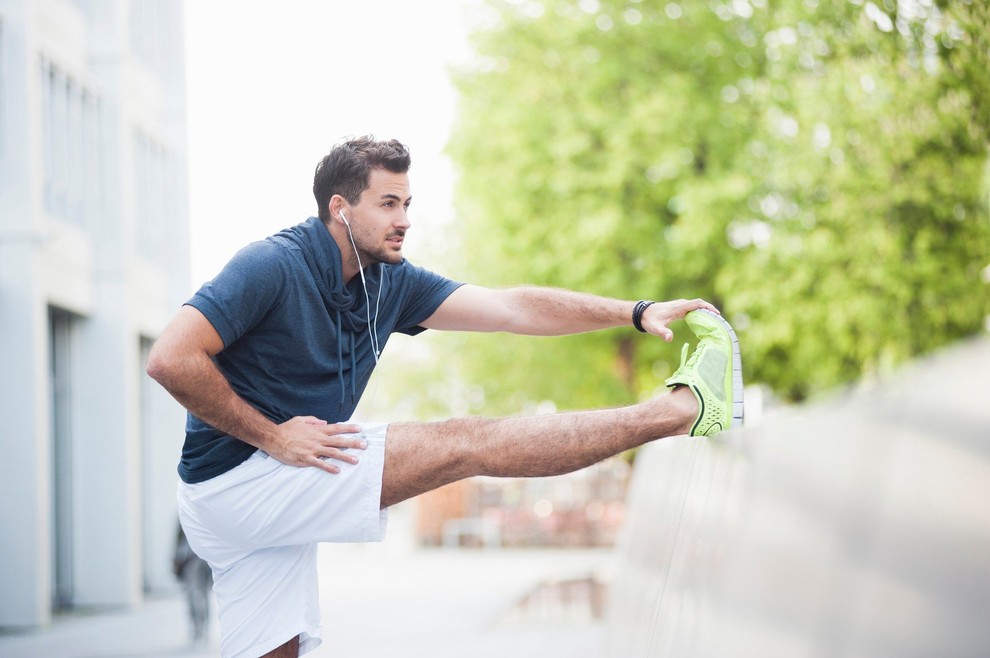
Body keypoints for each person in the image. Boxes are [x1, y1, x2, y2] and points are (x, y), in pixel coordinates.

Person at [146, 136, 743, 658]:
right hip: (238, 481)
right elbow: (170, 358)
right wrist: (274, 436)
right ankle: (682, 409)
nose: (403, 218)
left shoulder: (391, 282)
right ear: (340, 208)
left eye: (407, 204)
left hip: (257, 497)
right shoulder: (273, 265)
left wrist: (636, 313)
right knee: (463, 443)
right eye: (387, 203)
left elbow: (513, 308)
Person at [172, 522, 212, 644]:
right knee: (203, 595)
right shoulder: (205, 511)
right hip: (204, 559)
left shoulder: (184, 512)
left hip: (192, 561)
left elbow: (178, 540)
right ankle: (202, 628)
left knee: (195, 595)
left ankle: (199, 628)